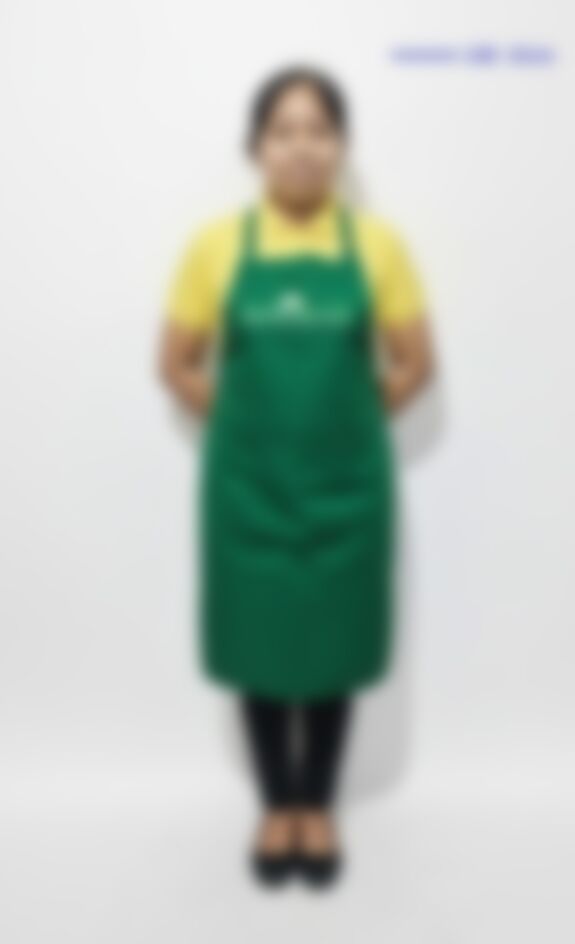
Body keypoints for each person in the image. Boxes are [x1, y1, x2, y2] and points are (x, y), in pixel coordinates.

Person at [160, 66, 433, 888]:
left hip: (346, 492)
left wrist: (344, 426)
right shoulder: (214, 246)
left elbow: (414, 364)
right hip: (247, 491)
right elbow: (176, 364)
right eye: (283, 131)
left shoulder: (378, 246)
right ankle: (275, 804)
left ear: (341, 146)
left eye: (319, 130)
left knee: (333, 643)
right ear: (256, 148)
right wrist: (246, 425)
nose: (302, 147)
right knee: (260, 641)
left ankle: (317, 804)